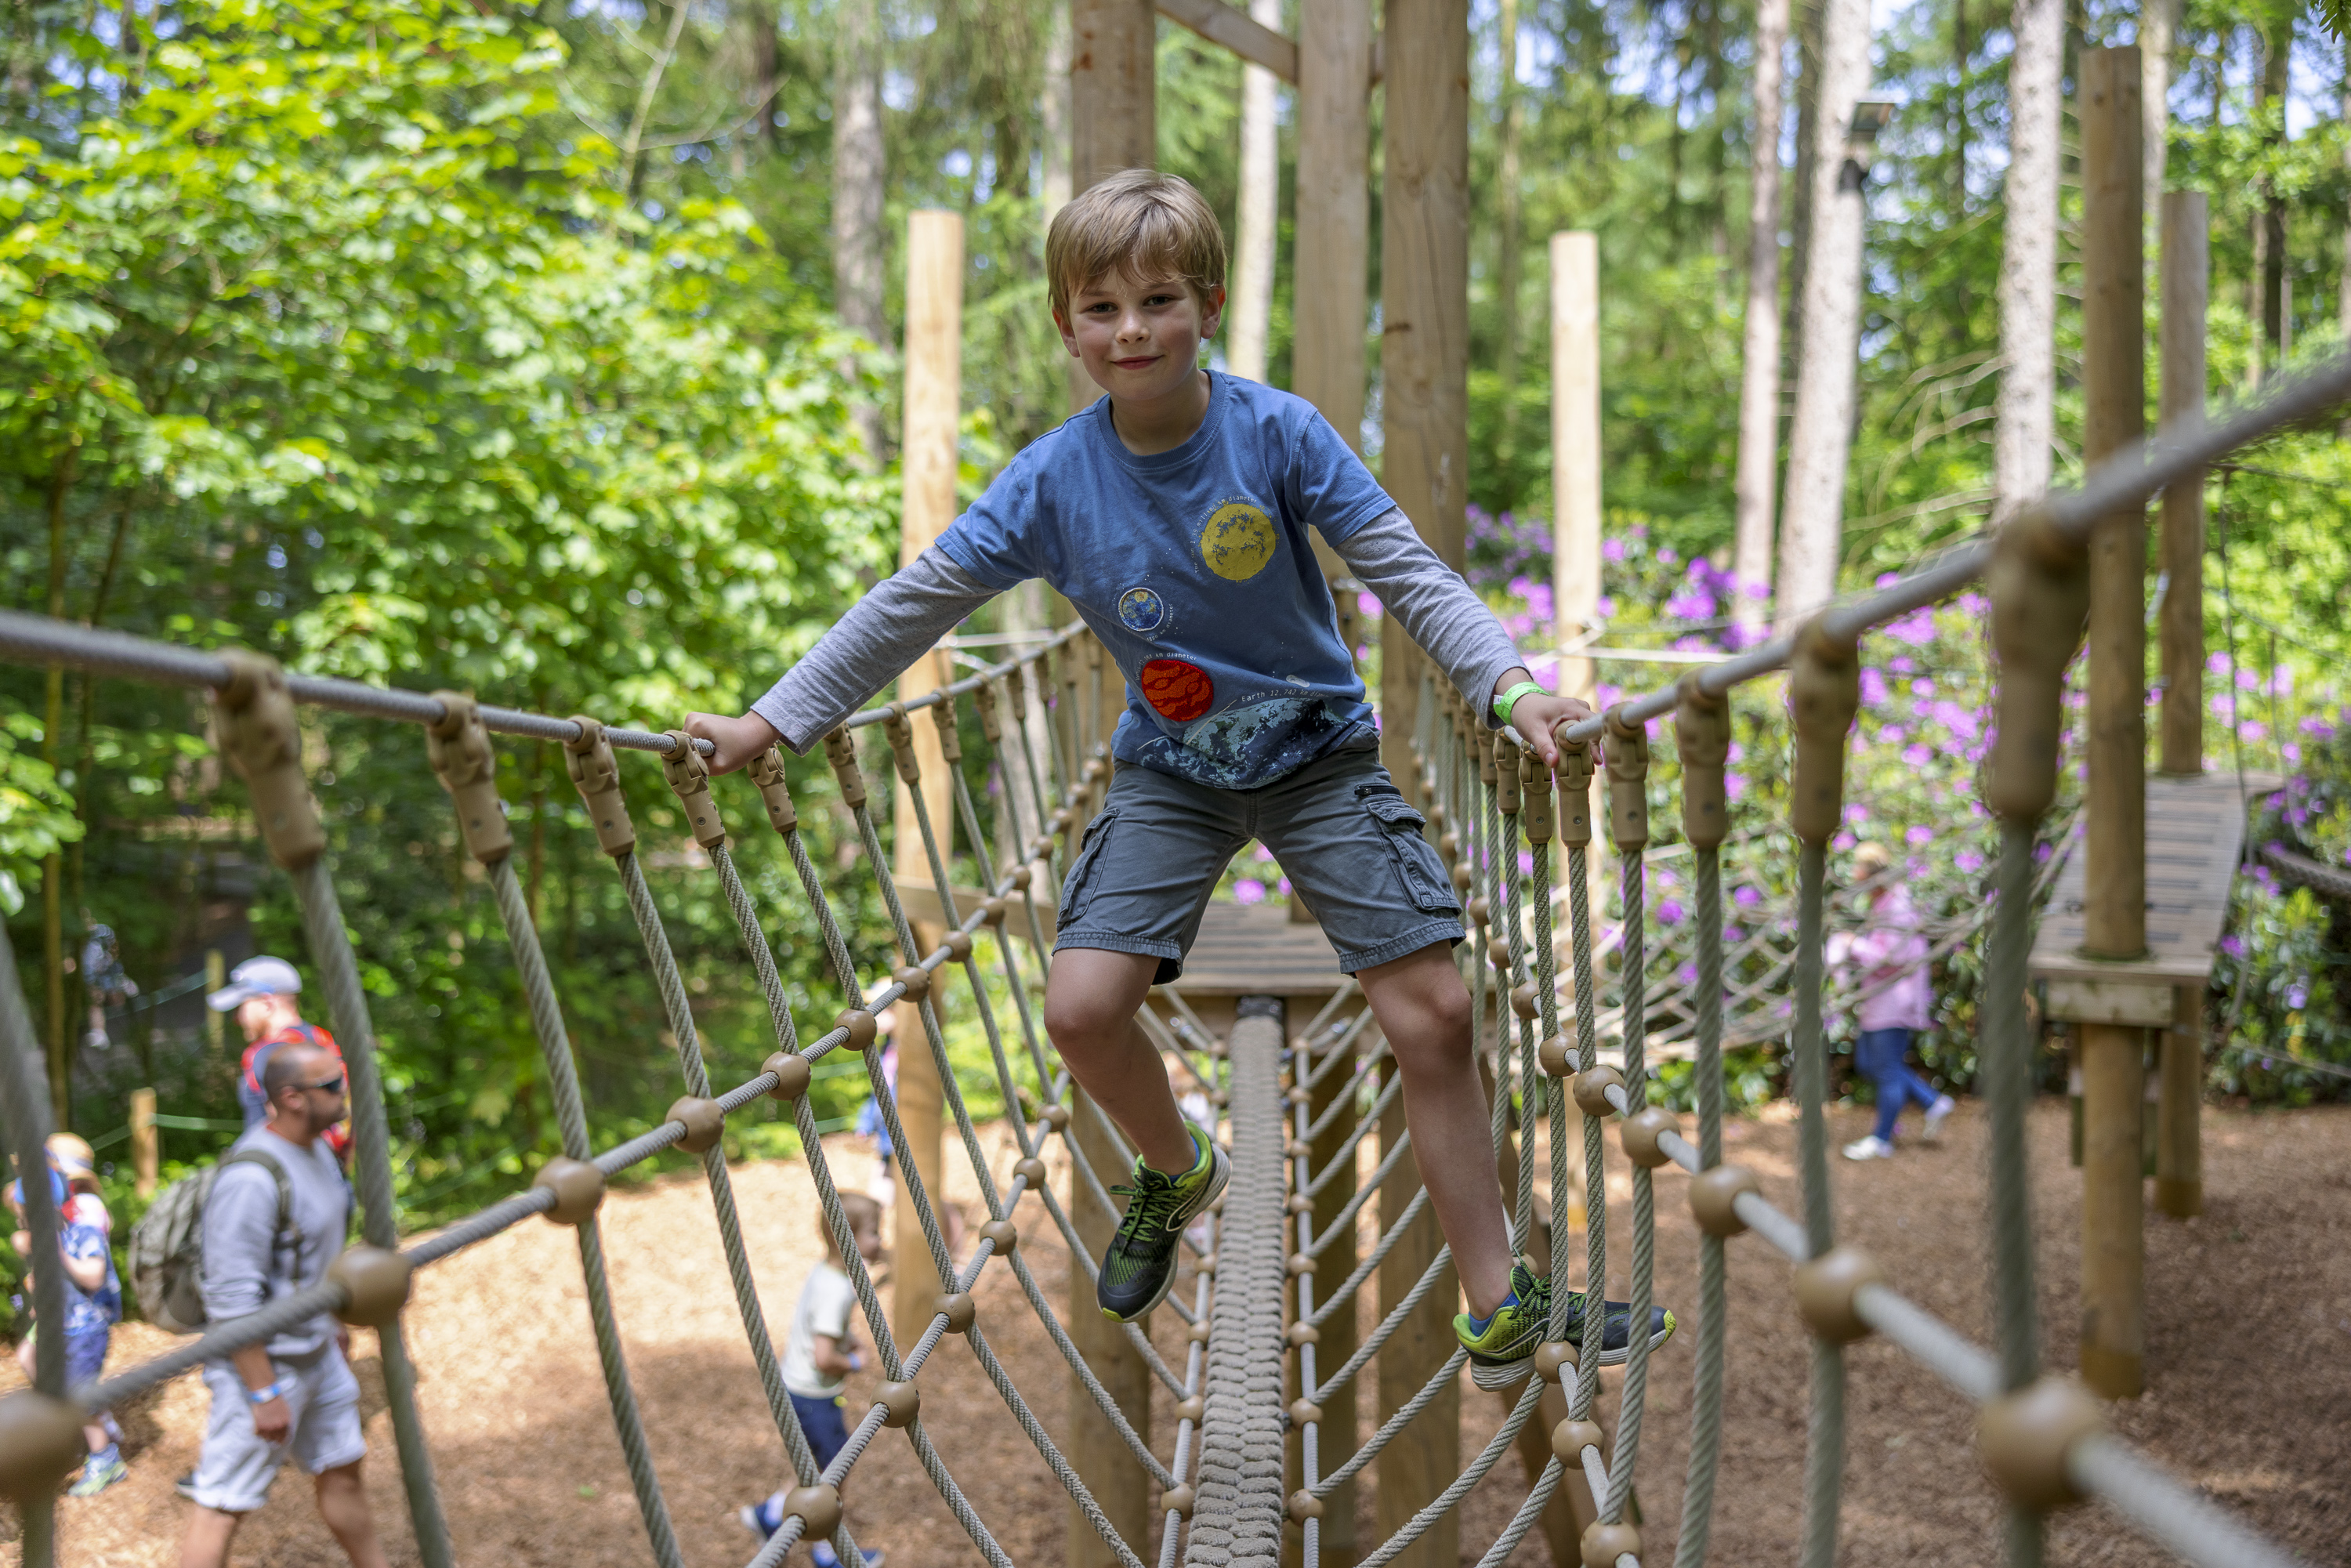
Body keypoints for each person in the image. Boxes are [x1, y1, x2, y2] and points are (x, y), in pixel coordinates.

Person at [686, 170, 1672, 1389]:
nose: (1131, 330)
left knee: (1439, 1012)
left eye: (1158, 300)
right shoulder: (1053, 483)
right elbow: (913, 604)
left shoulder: (1278, 434)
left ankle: (1501, 1299)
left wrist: (1512, 690)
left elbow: (1406, 571)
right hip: (1174, 775)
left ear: (1207, 304)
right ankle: (1175, 1165)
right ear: (1065, 323)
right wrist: (771, 722)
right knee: (1081, 1009)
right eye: (1099, 308)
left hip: (1317, 757)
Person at [180, 1041, 387, 1568]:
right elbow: (230, 1299)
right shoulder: (252, 1178)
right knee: (221, 1504)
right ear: (292, 1097)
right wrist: (262, 1389)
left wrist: (332, 1322)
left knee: (342, 1470)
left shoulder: (317, 1150)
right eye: (332, 1085)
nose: (344, 1094)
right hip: (263, 1368)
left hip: (317, 1353)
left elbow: (315, 1257)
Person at [739, 1193, 886, 1566]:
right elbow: (823, 1358)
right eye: (873, 1232)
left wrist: (844, 1337)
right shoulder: (836, 1290)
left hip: (797, 1390)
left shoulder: (826, 1273)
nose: (880, 1240)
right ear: (847, 1239)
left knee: (819, 1467)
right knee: (836, 1471)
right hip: (813, 1396)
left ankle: (769, 1515)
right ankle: (827, 1552)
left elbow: (818, 1329)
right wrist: (853, 1361)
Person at [7, 1159, 126, 1495]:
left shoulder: (82, 1233)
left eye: (30, 1212)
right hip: (60, 1328)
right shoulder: (40, 1240)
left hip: (87, 1331)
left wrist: (60, 1255)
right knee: (48, 1377)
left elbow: (93, 1276)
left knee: (80, 1396)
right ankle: (84, 1434)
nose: (25, 1220)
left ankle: (107, 1459)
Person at [1832, 842, 1956, 1161]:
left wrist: (1853, 945)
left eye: (1858, 869)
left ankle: (1882, 1138)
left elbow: (1894, 957)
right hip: (1880, 999)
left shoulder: (1897, 908)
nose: (1853, 875)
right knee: (1868, 1064)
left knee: (1886, 1068)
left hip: (1895, 1001)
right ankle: (1931, 1102)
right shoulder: (1882, 903)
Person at [206, 956, 350, 1162]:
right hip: (332, 1171)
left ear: (266, 1003)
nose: (237, 1019)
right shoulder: (321, 1041)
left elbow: (285, 1127)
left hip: (288, 1177)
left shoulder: (269, 1054)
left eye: (242, 1006)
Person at [79, 922, 136, 1052]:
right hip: (91, 977)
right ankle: (99, 1032)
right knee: (95, 1002)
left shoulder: (102, 931)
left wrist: (107, 961)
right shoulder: (78, 937)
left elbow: (114, 946)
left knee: (117, 1001)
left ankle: (124, 983)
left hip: (108, 972)